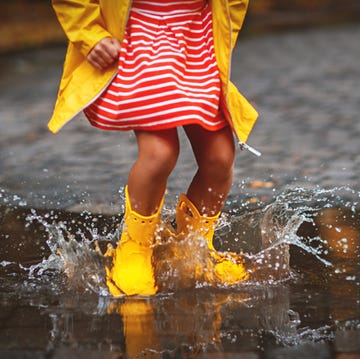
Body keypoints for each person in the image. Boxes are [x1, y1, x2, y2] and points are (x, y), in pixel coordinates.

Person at [50, 0, 259, 296]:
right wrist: (90, 33)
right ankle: (134, 247)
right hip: (138, 44)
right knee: (160, 153)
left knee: (220, 157)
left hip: (195, 42)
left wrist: (221, 34)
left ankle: (193, 248)